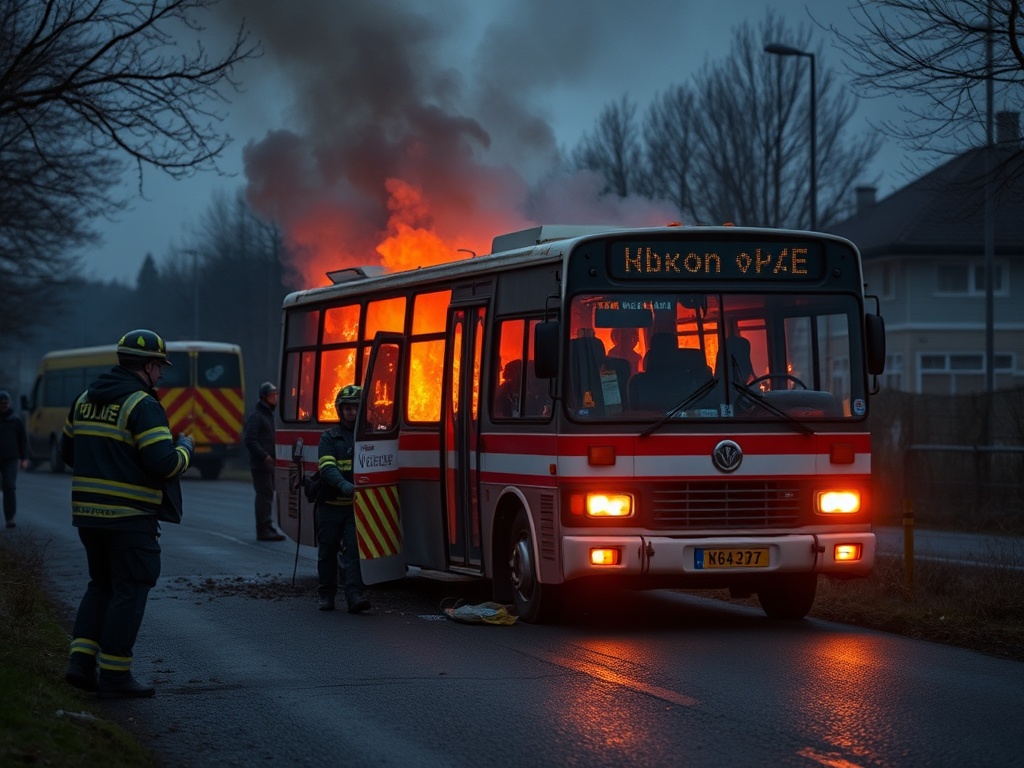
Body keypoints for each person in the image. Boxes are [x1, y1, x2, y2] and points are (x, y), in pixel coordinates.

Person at [61, 329, 194, 699]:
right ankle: (116, 676)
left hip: (88, 516)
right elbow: (163, 463)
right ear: (148, 366)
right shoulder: (143, 405)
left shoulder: (84, 399)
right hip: (129, 518)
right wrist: (185, 449)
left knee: (100, 585)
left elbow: (68, 454)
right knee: (130, 589)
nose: (162, 375)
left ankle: (80, 665)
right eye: (160, 367)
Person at [316, 384, 370, 614]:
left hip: (353, 508)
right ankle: (327, 595)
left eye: (354, 408)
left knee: (354, 551)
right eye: (346, 408)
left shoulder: (369, 436)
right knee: (327, 551)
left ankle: (354, 595)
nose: (350, 412)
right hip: (329, 507)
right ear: (340, 411)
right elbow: (327, 467)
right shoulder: (329, 437)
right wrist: (342, 483)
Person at [244, 382, 285, 541]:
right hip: (261, 464)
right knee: (264, 495)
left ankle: (268, 526)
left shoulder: (268, 415)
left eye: (276, 395)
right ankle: (263, 529)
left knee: (268, 495)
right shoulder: (257, 416)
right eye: (272, 395)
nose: (275, 398)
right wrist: (264, 455)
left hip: (268, 463)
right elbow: (250, 439)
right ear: (264, 398)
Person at [0, 390, 29, 528]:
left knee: (9, 486)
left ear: (9, 403)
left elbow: (23, 440)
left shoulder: (16, 420)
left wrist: (24, 458)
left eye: (6, 403)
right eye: (1, 403)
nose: (4, 405)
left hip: (11, 459)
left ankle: (10, 518)